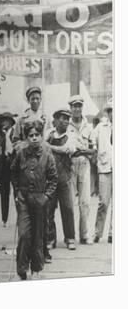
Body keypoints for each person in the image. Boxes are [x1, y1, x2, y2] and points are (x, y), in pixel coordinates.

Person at [11, 120, 57, 280]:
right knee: (24, 234)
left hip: (40, 200)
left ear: (41, 136)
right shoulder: (20, 155)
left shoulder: (47, 156)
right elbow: (14, 173)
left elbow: (53, 179)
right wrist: (17, 192)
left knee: (38, 235)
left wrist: (46, 196)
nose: (34, 138)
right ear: (26, 137)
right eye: (31, 135)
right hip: (23, 199)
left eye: (37, 135)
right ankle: (21, 268)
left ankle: (36, 268)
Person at [45, 108, 79, 251]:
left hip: (65, 177)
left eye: (67, 118)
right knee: (49, 209)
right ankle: (50, 239)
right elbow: (42, 148)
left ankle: (70, 238)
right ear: (56, 119)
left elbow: (67, 149)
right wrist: (48, 146)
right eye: (62, 118)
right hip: (50, 177)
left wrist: (50, 147)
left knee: (68, 208)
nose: (65, 121)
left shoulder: (71, 134)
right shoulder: (49, 133)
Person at [67, 95, 96, 244]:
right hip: (70, 165)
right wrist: (80, 150)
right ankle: (70, 236)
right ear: (70, 108)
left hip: (84, 165)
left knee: (85, 202)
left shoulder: (88, 126)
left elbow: (92, 151)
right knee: (70, 202)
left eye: (79, 106)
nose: (77, 109)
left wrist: (82, 151)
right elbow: (67, 149)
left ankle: (84, 235)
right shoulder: (66, 125)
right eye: (74, 106)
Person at [92, 99, 113, 244]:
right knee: (103, 202)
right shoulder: (101, 126)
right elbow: (92, 140)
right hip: (105, 167)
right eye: (111, 111)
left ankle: (113, 232)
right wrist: (95, 152)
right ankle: (98, 232)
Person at [0, 112, 16, 226]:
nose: (4, 123)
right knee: (4, 192)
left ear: (10, 122)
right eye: (2, 121)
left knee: (17, 191)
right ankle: (5, 219)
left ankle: (20, 217)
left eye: (6, 120)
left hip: (13, 164)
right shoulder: (0, 135)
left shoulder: (15, 133)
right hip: (4, 165)